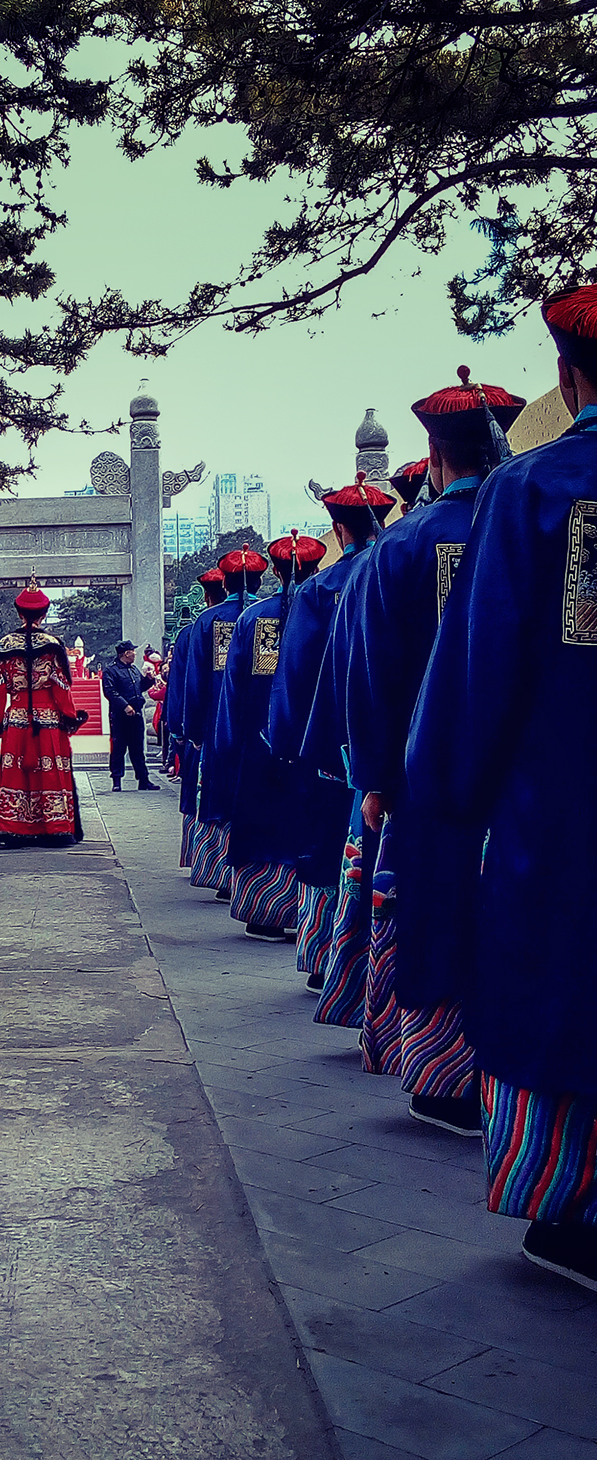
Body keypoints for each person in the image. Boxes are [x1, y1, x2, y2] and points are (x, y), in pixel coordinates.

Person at [405, 289, 597, 1289]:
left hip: (562, 817)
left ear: (567, 379)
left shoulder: (531, 494)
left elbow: (475, 677)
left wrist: (443, 798)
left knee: (564, 992)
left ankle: (576, 1204)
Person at [347, 371, 524, 1129]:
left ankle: (445, 1079)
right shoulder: (522, 503)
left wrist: (375, 773)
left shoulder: (406, 544)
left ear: (428, 450)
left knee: (433, 913)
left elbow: (373, 673)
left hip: (436, 773)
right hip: (541, 771)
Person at [297, 477, 395, 1027]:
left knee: (349, 861)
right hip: (441, 743)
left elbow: (320, 672)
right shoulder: (407, 554)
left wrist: (301, 744)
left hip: (349, 747)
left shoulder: (332, 586)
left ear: (338, 529)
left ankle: (336, 968)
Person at [207, 533, 326, 941]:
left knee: (262, 825)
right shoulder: (330, 604)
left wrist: (223, 744)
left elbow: (232, 688)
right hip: (316, 743)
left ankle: (266, 912)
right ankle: (310, 919)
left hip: (257, 745)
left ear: (274, 572)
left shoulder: (253, 619)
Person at [182, 549, 267, 893]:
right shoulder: (274, 613)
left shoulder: (208, 622)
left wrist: (192, 729)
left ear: (223, 582)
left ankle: (222, 875)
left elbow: (195, 682)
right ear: (262, 578)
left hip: (219, 728)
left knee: (217, 798)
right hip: (267, 727)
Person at [0, 579, 85, 847]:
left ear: (19, 613)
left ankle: (12, 826)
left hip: (16, 720)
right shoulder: (53, 646)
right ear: (44, 614)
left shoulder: (3, 646)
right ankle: (54, 827)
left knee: (17, 772)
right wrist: (71, 717)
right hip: (49, 721)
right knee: (50, 772)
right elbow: (62, 689)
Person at [172, 569, 224, 858]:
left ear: (206, 595)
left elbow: (185, 684)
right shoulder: (260, 617)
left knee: (201, 793)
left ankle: (206, 860)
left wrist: (184, 729)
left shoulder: (196, 628)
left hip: (205, 731)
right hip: (256, 732)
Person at [102, 641, 159, 792]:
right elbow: (110, 691)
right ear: (126, 653)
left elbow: (140, 687)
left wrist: (148, 679)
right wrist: (125, 705)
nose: (135, 653)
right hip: (120, 715)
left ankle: (143, 779)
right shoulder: (111, 671)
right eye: (133, 651)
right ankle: (116, 780)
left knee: (138, 749)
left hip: (136, 713)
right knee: (118, 748)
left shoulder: (133, 670)